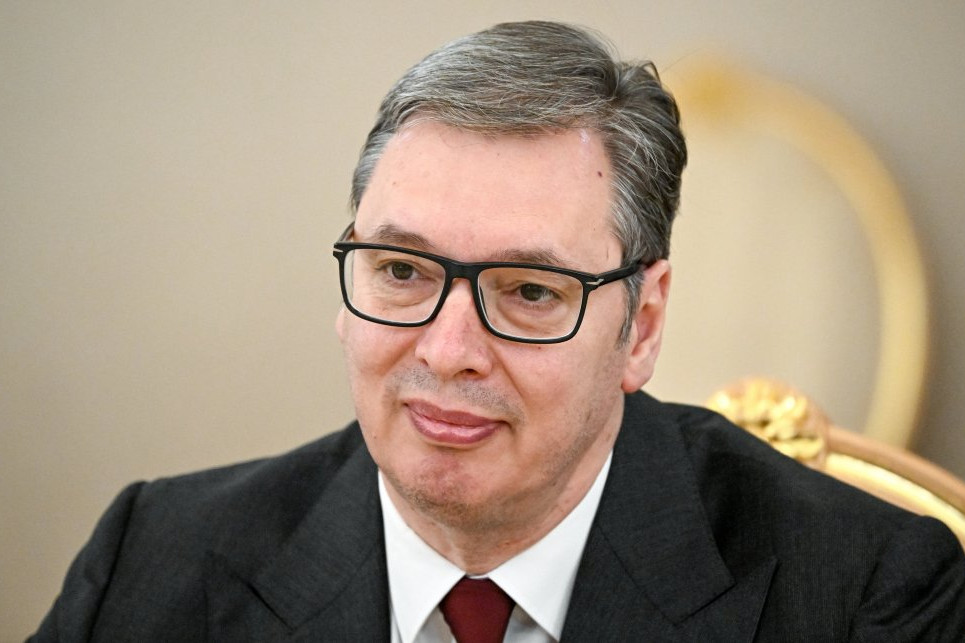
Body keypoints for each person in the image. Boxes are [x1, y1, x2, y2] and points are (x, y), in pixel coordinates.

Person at [31, 20, 965, 642]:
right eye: (402, 272)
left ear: (640, 326)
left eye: (526, 291)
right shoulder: (151, 561)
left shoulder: (865, 593)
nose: (447, 352)